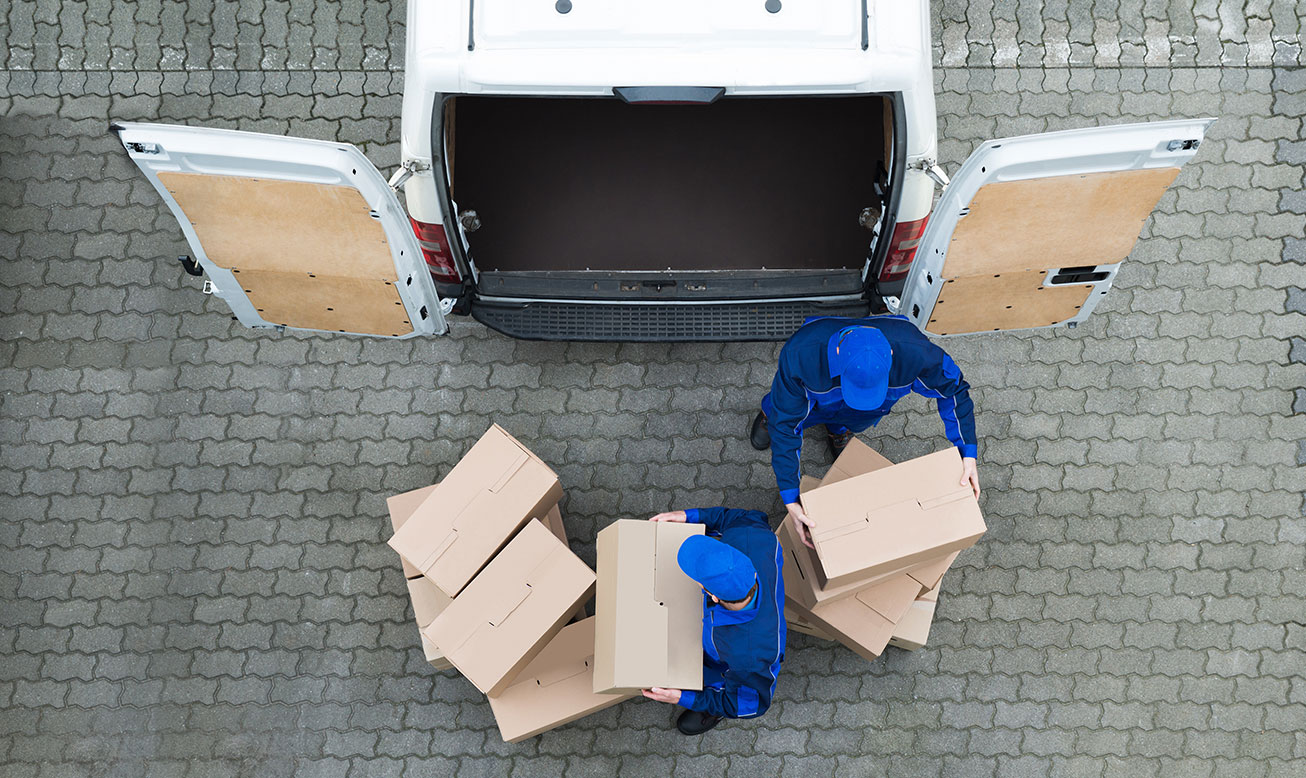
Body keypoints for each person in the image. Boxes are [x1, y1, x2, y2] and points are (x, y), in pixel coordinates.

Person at [749, 315, 980, 548]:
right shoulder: (801, 355)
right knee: (781, 412)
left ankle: (839, 429)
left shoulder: (917, 352)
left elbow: (954, 391)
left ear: (890, 354)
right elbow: (787, 424)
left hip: (868, 411)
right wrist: (790, 494)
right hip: (813, 399)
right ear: (838, 352)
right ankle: (768, 416)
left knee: (856, 419)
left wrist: (967, 451)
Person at [639, 507, 785, 735]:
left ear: (712, 596)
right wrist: (688, 517)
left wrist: (682, 697)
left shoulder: (747, 656)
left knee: (714, 679)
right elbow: (738, 517)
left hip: (736, 665)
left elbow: (750, 706)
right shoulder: (751, 536)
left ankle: (712, 706)